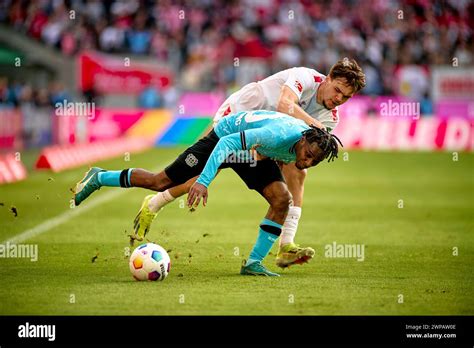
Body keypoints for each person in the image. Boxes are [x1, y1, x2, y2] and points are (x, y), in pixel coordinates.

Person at [133, 57, 366, 268]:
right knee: (205, 172)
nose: (339, 99)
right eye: (337, 91)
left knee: (297, 172)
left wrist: (268, 154)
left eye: (346, 97)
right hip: (240, 113)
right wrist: (312, 123)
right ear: (328, 79)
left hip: (268, 137)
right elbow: (285, 105)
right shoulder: (305, 76)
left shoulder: (331, 118)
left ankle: (286, 244)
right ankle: (153, 204)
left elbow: (304, 150)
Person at [73, 110, 342, 276]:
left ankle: (253, 263)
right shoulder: (278, 135)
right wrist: (202, 181)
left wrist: (275, 160)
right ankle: (100, 177)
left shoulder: (305, 144)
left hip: (250, 154)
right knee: (160, 181)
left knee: (282, 198)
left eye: (313, 162)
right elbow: (227, 143)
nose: (306, 163)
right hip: (222, 138)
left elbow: (272, 154)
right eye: (307, 155)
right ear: (303, 140)